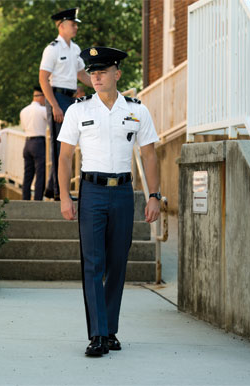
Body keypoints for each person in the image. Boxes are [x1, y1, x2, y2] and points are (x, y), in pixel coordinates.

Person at [57, 47, 161, 357]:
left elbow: (149, 154)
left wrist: (154, 195)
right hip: (92, 192)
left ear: (117, 73)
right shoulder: (79, 110)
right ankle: (98, 334)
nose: (96, 76)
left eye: (103, 71)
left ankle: (110, 329)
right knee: (93, 263)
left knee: (117, 263)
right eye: (92, 72)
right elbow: (64, 157)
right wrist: (65, 196)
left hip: (123, 193)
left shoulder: (136, 110)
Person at [39, 7, 92, 201]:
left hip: (71, 99)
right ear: (61, 26)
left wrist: (100, 84)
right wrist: (54, 106)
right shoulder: (52, 49)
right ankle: (60, 192)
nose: (76, 27)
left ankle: (53, 189)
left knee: (69, 144)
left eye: (76, 24)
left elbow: (82, 75)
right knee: (60, 146)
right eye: (72, 24)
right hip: (57, 97)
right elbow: (43, 79)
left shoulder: (75, 49)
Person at [20, 86, 48, 200]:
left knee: (28, 174)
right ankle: (37, 200)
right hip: (38, 142)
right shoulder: (43, 110)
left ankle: (25, 199)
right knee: (40, 173)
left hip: (27, 143)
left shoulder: (23, 111)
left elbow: (23, 127)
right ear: (41, 96)